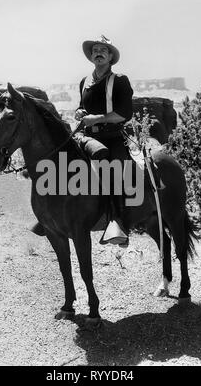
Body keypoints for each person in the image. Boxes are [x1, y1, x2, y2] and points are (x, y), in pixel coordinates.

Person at [75, 35, 134, 246]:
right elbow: (83, 107)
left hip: (113, 137)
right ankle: (53, 214)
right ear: (91, 56)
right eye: (95, 50)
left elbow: (124, 113)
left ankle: (117, 223)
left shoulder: (119, 80)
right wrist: (80, 113)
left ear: (110, 57)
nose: (98, 53)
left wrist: (96, 118)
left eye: (103, 50)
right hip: (88, 137)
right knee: (61, 162)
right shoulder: (84, 82)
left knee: (115, 171)